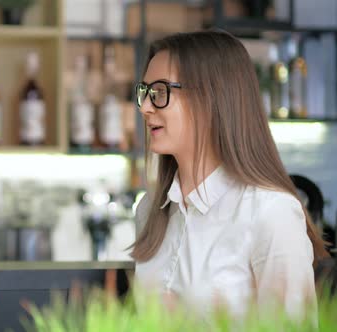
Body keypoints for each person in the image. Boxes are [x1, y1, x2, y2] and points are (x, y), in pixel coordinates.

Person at [130, 30, 329, 319]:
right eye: (144, 92)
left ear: (210, 98)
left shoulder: (271, 212)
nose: (146, 107)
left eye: (160, 93)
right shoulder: (149, 211)